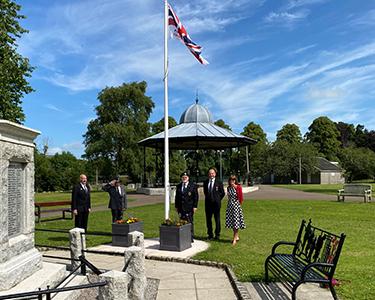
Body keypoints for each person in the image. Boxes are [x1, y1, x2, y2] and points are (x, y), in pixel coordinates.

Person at [175, 171, 199, 242]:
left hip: (189, 207)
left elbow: (196, 197)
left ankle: (190, 237)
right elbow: (177, 197)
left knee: (190, 222)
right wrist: (176, 206)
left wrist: (195, 206)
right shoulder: (179, 186)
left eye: (185, 177)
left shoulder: (192, 186)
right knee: (181, 222)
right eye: (183, 177)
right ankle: (183, 236)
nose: (184, 178)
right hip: (181, 207)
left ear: (188, 178)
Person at [203, 167, 225, 240]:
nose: (211, 174)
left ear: (215, 174)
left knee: (217, 219)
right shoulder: (205, 182)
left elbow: (222, 193)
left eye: (212, 173)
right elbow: (205, 192)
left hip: (216, 205)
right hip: (208, 204)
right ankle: (210, 235)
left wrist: (218, 199)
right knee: (208, 220)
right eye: (210, 173)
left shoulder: (219, 182)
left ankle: (217, 235)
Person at [226, 175, 246, 245]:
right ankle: (236, 236)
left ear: (235, 180)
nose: (232, 181)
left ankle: (234, 238)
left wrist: (237, 205)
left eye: (234, 180)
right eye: (231, 180)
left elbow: (241, 198)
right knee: (232, 222)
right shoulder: (228, 188)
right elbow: (228, 197)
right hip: (230, 206)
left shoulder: (238, 187)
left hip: (236, 206)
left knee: (236, 223)